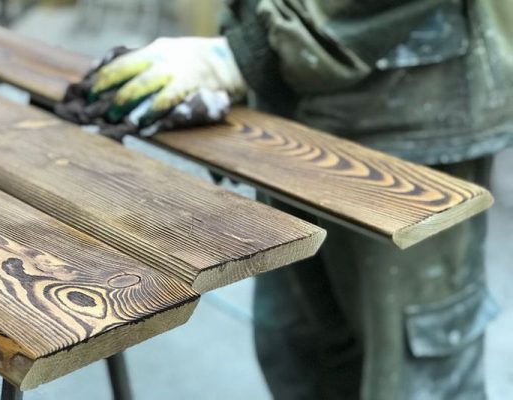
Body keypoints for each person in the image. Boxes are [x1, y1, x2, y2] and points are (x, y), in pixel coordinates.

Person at [87, 1, 513, 398]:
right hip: (290, 108)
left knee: (411, 373)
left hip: (412, 116)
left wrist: (248, 49)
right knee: (297, 348)